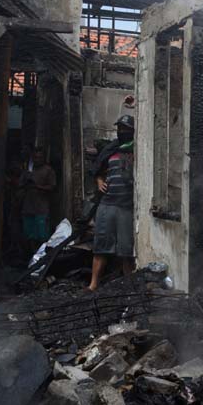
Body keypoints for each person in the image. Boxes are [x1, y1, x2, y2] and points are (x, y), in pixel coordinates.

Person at [88, 115, 136, 291]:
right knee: (101, 246)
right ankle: (93, 284)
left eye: (125, 129)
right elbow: (98, 171)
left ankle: (129, 285)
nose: (122, 131)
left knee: (126, 250)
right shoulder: (111, 150)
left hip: (126, 207)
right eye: (120, 128)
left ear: (132, 131)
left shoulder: (137, 150)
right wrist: (99, 181)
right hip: (107, 204)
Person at [20, 149, 56, 248]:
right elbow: (20, 185)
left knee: (42, 235)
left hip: (41, 208)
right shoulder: (28, 171)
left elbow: (52, 187)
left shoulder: (48, 170)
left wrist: (38, 187)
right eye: (35, 158)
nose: (37, 160)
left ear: (44, 158)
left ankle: (42, 254)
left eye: (40, 157)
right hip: (28, 207)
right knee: (29, 235)